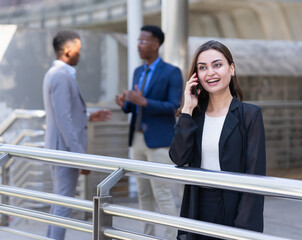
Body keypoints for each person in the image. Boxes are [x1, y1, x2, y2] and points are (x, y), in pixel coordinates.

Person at [169, 40, 266, 240]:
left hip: (235, 208)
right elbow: (179, 157)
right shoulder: (194, 115)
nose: (210, 73)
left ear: (231, 69)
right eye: (202, 68)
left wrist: (243, 229)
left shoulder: (249, 115)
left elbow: (255, 174)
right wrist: (187, 109)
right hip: (197, 206)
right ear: (196, 76)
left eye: (217, 65)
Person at [115, 25, 183, 239]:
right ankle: (147, 236)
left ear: (156, 44)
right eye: (138, 40)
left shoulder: (172, 72)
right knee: (143, 194)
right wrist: (125, 103)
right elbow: (136, 106)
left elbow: (174, 106)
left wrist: (143, 101)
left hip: (160, 142)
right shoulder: (138, 71)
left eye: (143, 41)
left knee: (162, 193)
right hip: (137, 140)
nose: (139, 45)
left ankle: (171, 236)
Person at [43, 30, 111, 240]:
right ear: (68, 51)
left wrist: (89, 116)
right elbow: (64, 120)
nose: (80, 55)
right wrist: (79, 156)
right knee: (64, 203)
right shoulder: (61, 76)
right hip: (64, 150)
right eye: (78, 50)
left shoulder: (56, 74)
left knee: (60, 201)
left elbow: (67, 113)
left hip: (61, 148)